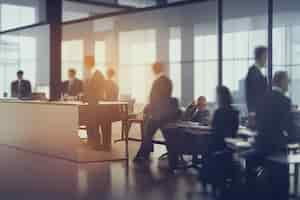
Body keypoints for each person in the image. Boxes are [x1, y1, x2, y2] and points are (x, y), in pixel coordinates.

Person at [247, 71, 296, 200]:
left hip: (260, 146)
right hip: (276, 149)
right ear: (282, 82)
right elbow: (289, 127)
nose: (288, 84)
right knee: (282, 181)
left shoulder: (263, 98)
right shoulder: (285, 101)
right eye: (287, 81)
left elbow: (255, 123)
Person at [134, 62, 181, 162]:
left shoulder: (159, 81)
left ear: (155, 69)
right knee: (168, 139)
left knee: (148, 135)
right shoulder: (167, 80)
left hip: (158, 115)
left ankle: (141, 156)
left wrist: (149, 109)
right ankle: (173, 161)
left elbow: (155, 98)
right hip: (165, 114)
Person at [83, 56, 106, 150]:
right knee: (90, 122)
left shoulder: (97, 74)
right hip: (90, 102)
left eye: (85, 63)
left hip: (95, 103)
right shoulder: (90, 74)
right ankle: (91, 141)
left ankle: (97, 143)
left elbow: (99, 88)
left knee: (95, 122)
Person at [245, 46, 268, 113]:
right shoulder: (254, 72)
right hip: (257, 111)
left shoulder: (255, 72)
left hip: (257, 111)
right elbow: (257, 94)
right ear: (260, 57)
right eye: (265, 57)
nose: (266, 60)